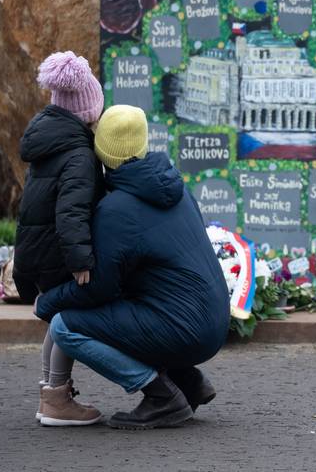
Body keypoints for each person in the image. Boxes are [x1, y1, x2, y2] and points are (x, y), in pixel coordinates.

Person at [34, 105, 230, 430]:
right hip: (214, 321)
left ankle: (161, 396)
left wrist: (48, 302)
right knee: (131, 309)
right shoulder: (175, 187)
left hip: (186, 330)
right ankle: (187, 381)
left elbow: (100, 289)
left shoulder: (117, 209)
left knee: (65, 326)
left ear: (101, 151)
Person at [14, 51, 105, 427]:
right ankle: (56, 397)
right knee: (68, 318)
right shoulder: (79, 154)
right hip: (57, 252)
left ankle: (49, 390)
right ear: (87, 112)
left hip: (36, 249)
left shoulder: (48, 142)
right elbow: (71, 212)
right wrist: (80, 260)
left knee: (58, 320)